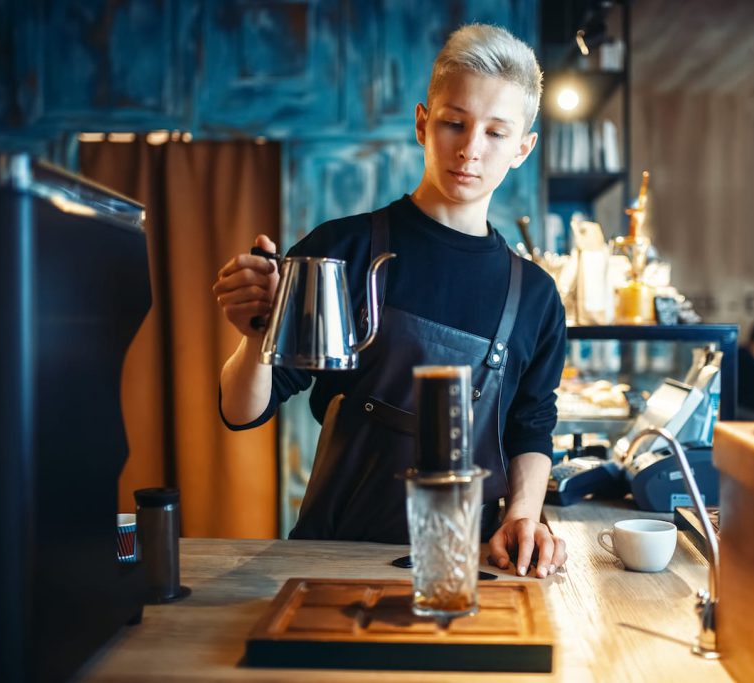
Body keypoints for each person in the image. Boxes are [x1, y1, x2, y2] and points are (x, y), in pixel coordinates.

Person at [212, 24, 567, 578]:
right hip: (334, 555)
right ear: (424, 123)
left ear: (523, 147)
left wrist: (523, 514)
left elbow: (530, 424)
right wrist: (256, 336)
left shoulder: (536, 297)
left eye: (496, 133)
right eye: (455, 123)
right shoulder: (341, 251)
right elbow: (242, 412)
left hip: (465, 566)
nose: (471, 149)